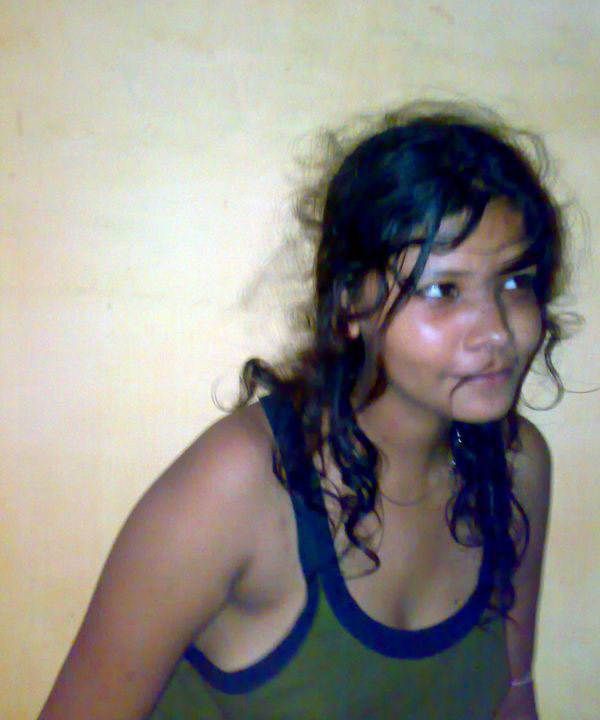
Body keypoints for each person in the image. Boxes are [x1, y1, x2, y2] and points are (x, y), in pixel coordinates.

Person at [38, 102, 570, 719]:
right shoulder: (240, 484)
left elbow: (512, 694)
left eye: (514, 282)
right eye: (442, 290)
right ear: (349, 304)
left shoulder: (516, 465)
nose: (497, 331)